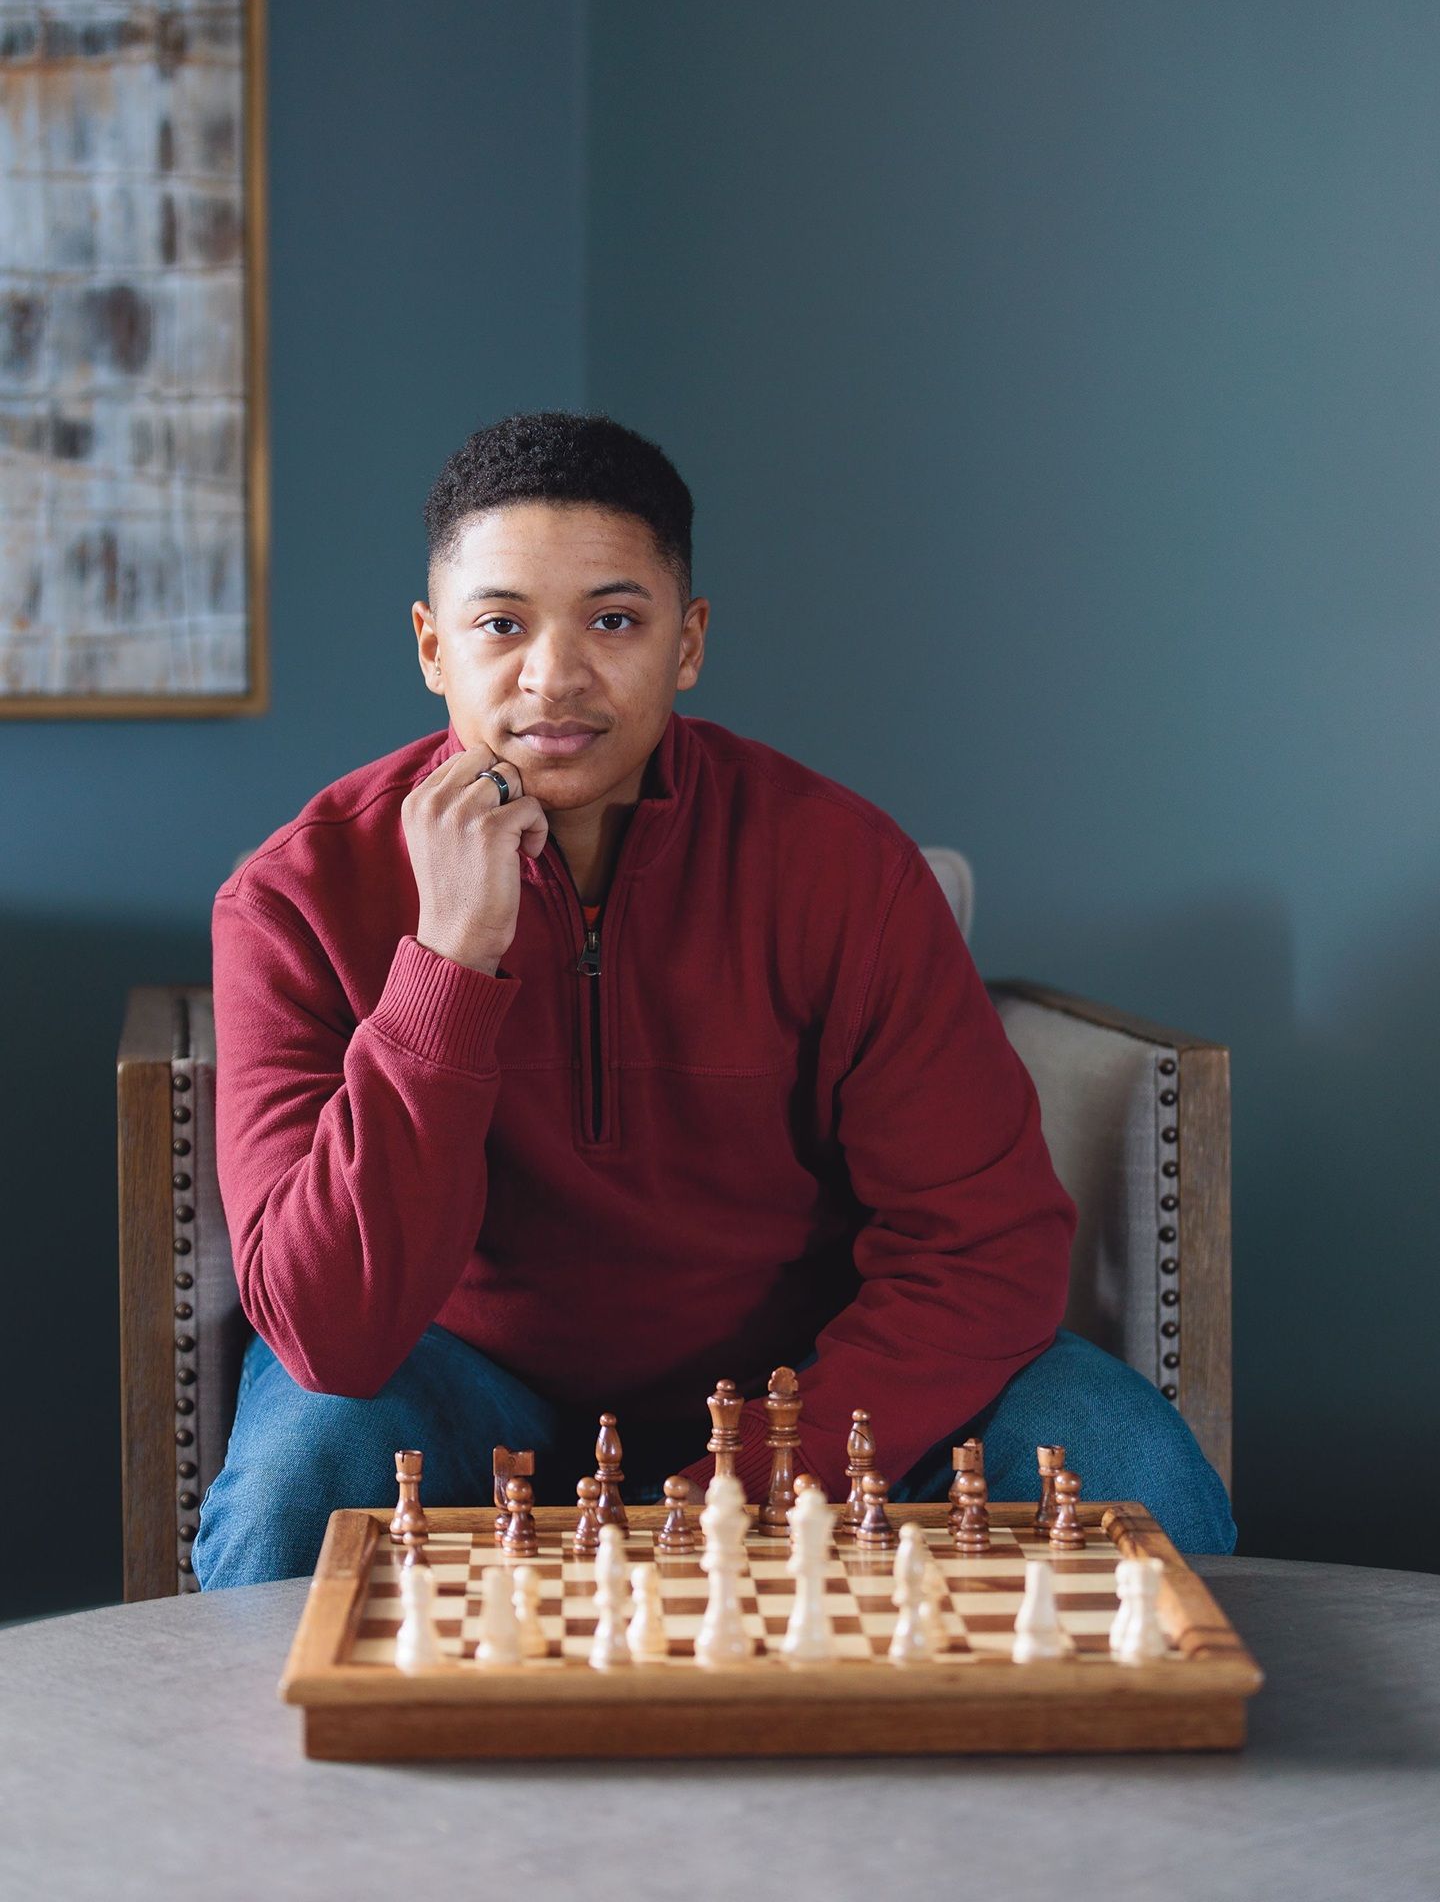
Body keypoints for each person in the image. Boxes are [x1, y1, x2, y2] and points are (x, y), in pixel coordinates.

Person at [193, 410, 1235, 1586]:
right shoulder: (294, 898)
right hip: (456, 1381)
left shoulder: (842, 868)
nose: (554, 677)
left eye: (614, 621)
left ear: (687, 643)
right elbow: (329, 1333)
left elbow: (984, 1244)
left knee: (1130, 1459)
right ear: (433, 648)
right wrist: (450, 961)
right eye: (501, 624)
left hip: (809, 1381)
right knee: (293, 1481)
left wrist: (760, 1482)